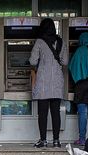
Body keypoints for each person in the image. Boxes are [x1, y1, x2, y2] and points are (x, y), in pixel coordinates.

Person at [29, 18, 68, 148]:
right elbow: (65, 62)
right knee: (55, 113)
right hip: (57, 81)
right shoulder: (61, 42)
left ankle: (43, 140)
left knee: (43, 113)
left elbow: (33, 61)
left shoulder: (39, 41)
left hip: (43, 82)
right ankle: (56, 141)